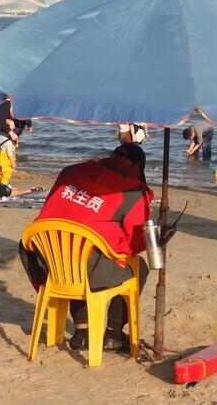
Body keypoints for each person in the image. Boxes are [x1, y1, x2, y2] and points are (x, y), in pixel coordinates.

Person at [19, 143, 153, 352]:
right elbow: (134, 245)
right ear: (137, 167)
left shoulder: (70, 172)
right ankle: (113, 333)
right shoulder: (134, 191)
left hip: (45, 258)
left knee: (75, 254)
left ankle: (82, 333)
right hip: (81, 267)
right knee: (137, 268)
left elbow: (55, 208)